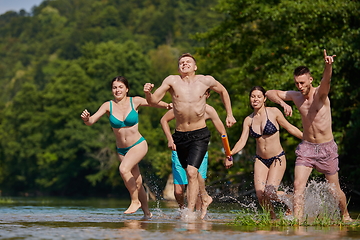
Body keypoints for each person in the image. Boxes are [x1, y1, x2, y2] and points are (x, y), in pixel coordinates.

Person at [144, 53, 236, 219]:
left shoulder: (205, 81)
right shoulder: (171, 80)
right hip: (180, 136)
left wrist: (229, 114)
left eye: (188, 62)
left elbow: (223, 91)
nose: (184, 64)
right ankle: (204, 198)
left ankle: (190, 213)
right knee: (190, 174)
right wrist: (148, 93)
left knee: (193, 173)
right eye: (181, 62)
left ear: (195, 67)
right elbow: (153, 101)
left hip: (199, 135)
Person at [265, 49, 352, 222]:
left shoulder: (320, 95)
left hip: (326, 148)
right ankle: (298, 221)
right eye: (297, 83)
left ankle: (345, 215)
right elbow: (269, 92)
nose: (300, 86)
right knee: (298, 185)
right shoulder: (296, 96)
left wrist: (328, 66)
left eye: (303, 83)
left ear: (310, 80)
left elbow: (326, 81)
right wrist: (283, 104)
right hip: (306, 147)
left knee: (334, 189)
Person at [80, 76, 170, 219]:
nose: (117, 90)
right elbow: (91, 121)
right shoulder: (107, 105)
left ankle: (135, 201)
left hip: (138, 144)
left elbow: (153, 102)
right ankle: (147, 214)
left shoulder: (135, 101)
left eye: (120, 87)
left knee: (123, 169)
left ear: (126, 89)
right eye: (114, 87)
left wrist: (168, 106)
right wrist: (86, 119)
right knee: (138, 181)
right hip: (122, 150)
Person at [228, 86, 302, 219]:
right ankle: (273, 219)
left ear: (264, 98)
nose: (255, 99)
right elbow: (242, 141)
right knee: (260, 194)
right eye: (253, 96)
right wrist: (230, 153)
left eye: (258, 96)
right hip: (260, 160)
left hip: (277, 158)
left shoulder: (273, 112)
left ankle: (290, 199)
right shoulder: (248, 120)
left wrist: (308, 138)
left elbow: (290, 127)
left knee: (270, 193)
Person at [160, 91, 233, 214]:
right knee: (178, 191)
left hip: (199, 148)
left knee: (192, 176)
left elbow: (223, 133)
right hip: (180, 146)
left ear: (207, 95)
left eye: (202, 93)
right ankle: (184, 211)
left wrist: (228, 155)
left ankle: (195, 214)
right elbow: (164, 120)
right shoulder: (183, 107)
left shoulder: (209, 110)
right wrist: (170, 139)